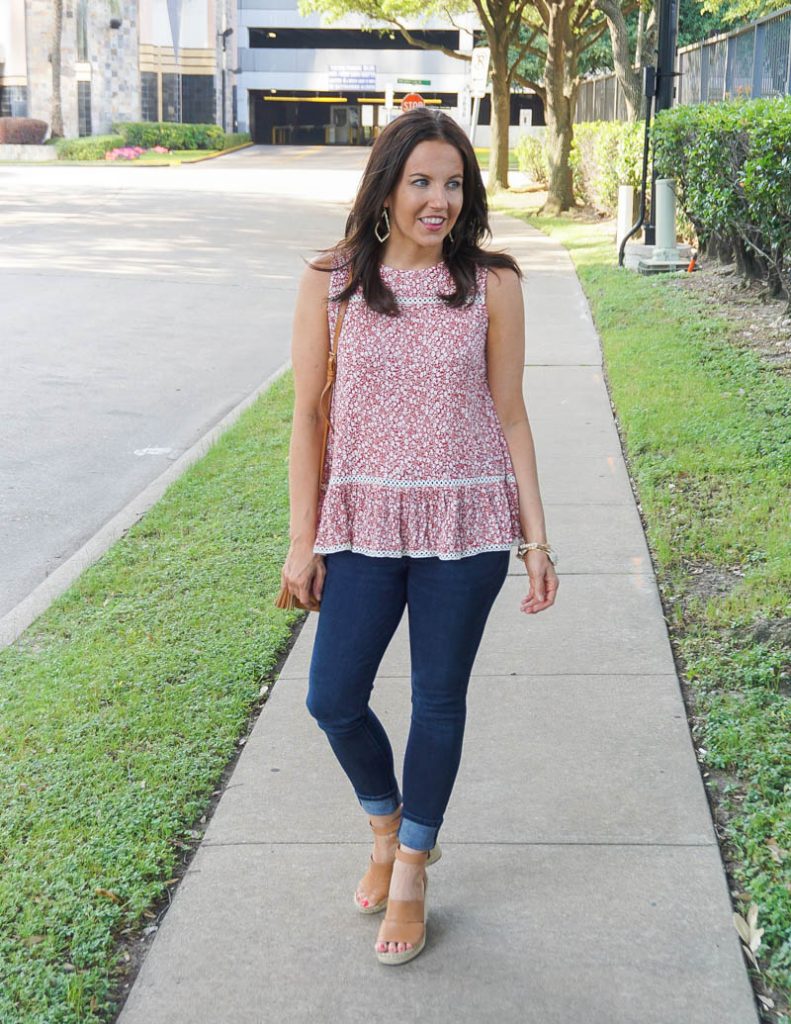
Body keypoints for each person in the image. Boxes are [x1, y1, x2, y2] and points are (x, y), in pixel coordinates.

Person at [280, 107, 559, 966]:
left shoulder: (492, 283)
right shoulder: (332, 278)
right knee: (331, 696)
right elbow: (308, 416)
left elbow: (509, 414)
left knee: (438, 700)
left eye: (452, 184)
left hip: (465, 520)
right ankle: (386, 819)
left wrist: (536, 541)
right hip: (362, 520)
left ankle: (410, 867)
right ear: (387, 187)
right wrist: (302, 539)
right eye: (421, 182)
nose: (438, 200)